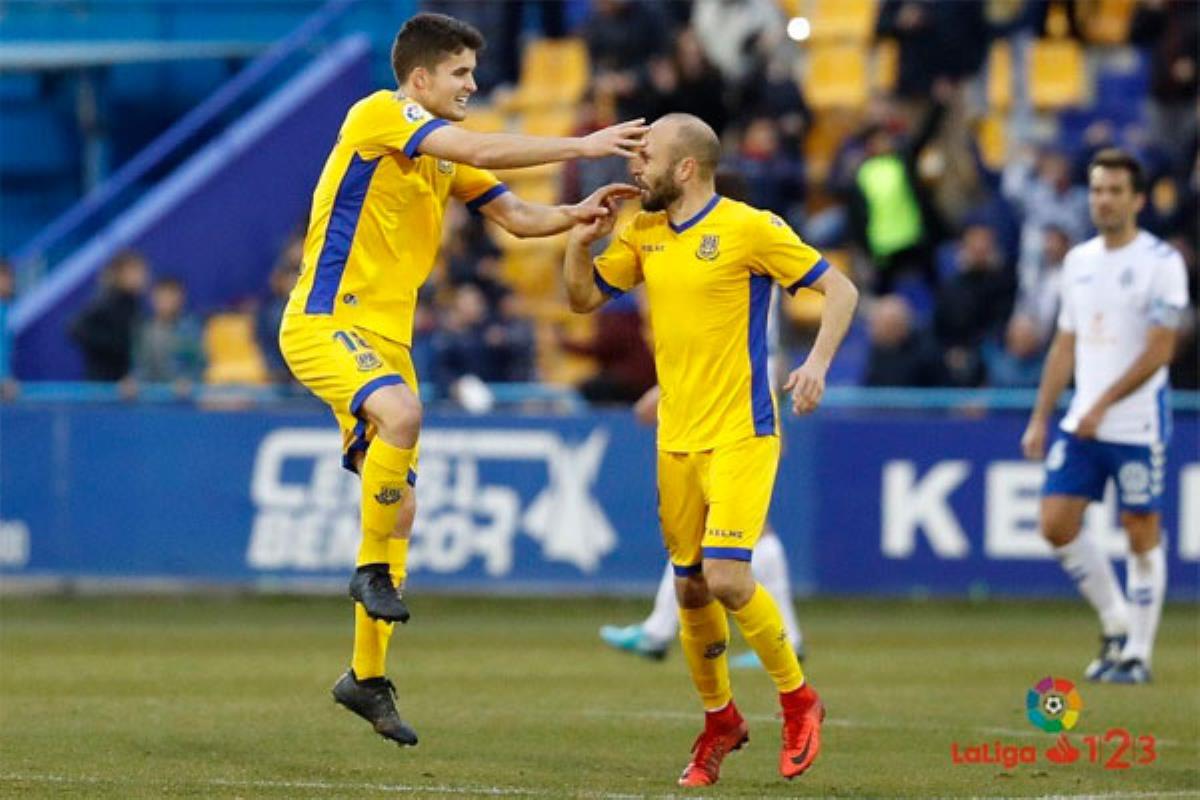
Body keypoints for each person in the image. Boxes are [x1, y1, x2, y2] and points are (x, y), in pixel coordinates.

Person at [278, 12, 644, 747]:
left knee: (403, 509)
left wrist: (573, 214)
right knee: (403, 417)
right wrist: (581, 144)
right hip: (326, 320)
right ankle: (370, 571)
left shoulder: (442, 157)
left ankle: (366, 678)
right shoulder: (379, 115)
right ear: (420, 79)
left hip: (388, 342)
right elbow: (478, 145)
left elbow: (515, 216)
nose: (473, 84)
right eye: (461, 73)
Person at [563, 114, 858, 786]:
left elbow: (840, 289)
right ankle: (720, 719)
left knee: (725, 576)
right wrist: (580, 242)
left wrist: (816, 364)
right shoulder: (642, 230)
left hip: (741, 431)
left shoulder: (749, 228)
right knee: (690, 586)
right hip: (677, 439)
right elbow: (581, 300)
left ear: (686, 167)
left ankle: (799, 700)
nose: (635, 168)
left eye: (646, 157)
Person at [1021, 149, 1189, 686]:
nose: (1104, 200)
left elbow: (1161, 350)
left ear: (1137, 200)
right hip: (1083, 423)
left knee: (1140, 530)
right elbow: (1064, 344)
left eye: (1115, 191)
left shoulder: (1162, 263)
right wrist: (1041, 417)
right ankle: (1116, 622)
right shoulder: (1079, 261)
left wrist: (1102, 404)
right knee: (1055, 523)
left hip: (1136, 425)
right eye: (1097, 190)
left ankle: (1138, 652)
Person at [599, 383, 805, 668]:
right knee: (716, 533)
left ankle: (658, 631)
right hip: (731, 423)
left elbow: (648, 407)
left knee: (706, 537)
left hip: (733, 427)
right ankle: (658, 629)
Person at [69, 249, 149, 381]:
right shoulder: (107, 301)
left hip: (125, 382)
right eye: (134, 272)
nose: (140, 277)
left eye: (141, 272)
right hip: (103, 381)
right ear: (119, 274)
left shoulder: (134, 303)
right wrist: (113, 343)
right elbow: (74, 328)